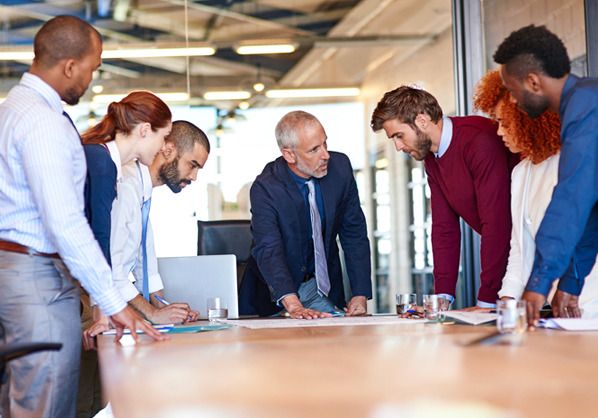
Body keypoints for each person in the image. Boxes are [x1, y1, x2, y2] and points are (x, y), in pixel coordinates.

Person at [0, 15, 163, 418]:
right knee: (46, 404)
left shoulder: (14, 110)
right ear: (69, 66)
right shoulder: (41, 122)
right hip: (35, 278)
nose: (92, 78)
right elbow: (64, 220)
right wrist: (111, 300)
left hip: (19, 273)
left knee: (21, 402)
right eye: (92, 67)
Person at [78, 121, 210, 418]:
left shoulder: (143, 190)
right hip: (90, 299)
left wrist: (164, 306)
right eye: (192, 165)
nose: (195, 176)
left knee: (103, 396)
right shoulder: (124, 185)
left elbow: (143, 261)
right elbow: (112, 269)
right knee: (86, 399)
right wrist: (153, 314)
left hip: (106, 297)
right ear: (168, 149)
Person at [371, 86, 519, 309]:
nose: (398, 146)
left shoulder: (478, 139)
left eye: (399, 136)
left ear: (422, 120)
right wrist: (443, 295)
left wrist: (487, 300)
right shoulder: (432, 157)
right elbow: (444, 228)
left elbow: (497, 224)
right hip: (513, 258)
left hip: (530, 253)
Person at [494, 24, 598, 325]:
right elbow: (591, 209)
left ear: (533, 82)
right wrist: (570, 282)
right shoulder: (583, 102)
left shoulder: (586, 108)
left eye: (513, 91)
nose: (513, 100)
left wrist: (538, 284)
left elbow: (571, 199)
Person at [239, 111, 372, 319]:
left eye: (325, 144)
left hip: (324, 290)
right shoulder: (266, 188)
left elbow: (354, 233)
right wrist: (293, 304)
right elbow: (268, 248)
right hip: (277, 295)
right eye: (314, 150)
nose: (325, 155)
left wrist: (360, 293)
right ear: (289, 155)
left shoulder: (340, 169)